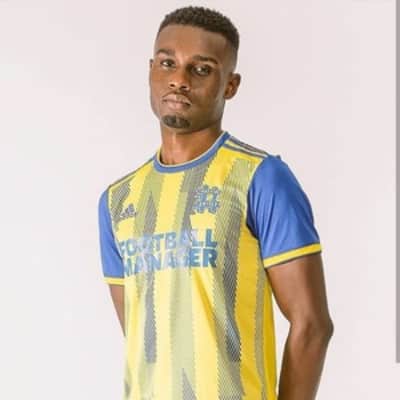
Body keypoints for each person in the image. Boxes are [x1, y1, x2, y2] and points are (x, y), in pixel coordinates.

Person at [97, 6, 334, 400]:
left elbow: (312, 325)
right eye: (167, 63)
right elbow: (142, 334)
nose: (179, 80)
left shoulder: (261, 178)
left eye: (201, 69)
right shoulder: (118, 200)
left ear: (230, 85)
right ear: (151, 71)